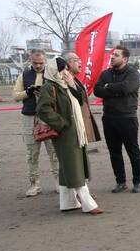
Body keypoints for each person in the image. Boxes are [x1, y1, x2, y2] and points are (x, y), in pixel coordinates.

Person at [36, 58, 102, 215]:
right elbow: (43, 109)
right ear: (54, 71)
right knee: (74, 166)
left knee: (69, 166)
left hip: (76, 132)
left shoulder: (66, 84)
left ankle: (68, 202)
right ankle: (88, 204)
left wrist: (72, 84)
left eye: (66, 68)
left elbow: (81, 100)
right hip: (65, 133)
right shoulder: (49, 86)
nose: (65, 72)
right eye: (62, 69)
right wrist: (62, 123)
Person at [93, 45, 140, 193]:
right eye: (112, 54)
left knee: (132, 150)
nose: (112, 57)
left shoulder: (132, 73)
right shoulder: (105, 74)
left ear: (125, 58)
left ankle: (138, 181)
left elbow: (127, 88)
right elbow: (97, 90)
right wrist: (115, 89)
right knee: (114, 152)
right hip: (109, 118)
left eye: (116, 55)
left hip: (127, 118)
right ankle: (120, 181)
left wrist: (108, 88)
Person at [12, 49, 59, 196]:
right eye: (35, 62)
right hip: (29, 117)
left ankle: (59, 182)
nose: (38, 65)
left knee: (54, 152)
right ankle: (34, 184)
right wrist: (28, 92)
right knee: (32, 153)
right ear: (30, 60)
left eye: (41, 62)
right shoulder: (23, 75)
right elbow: (15, 96)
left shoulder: (52, 74)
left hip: (49, 117)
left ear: (45, 61)